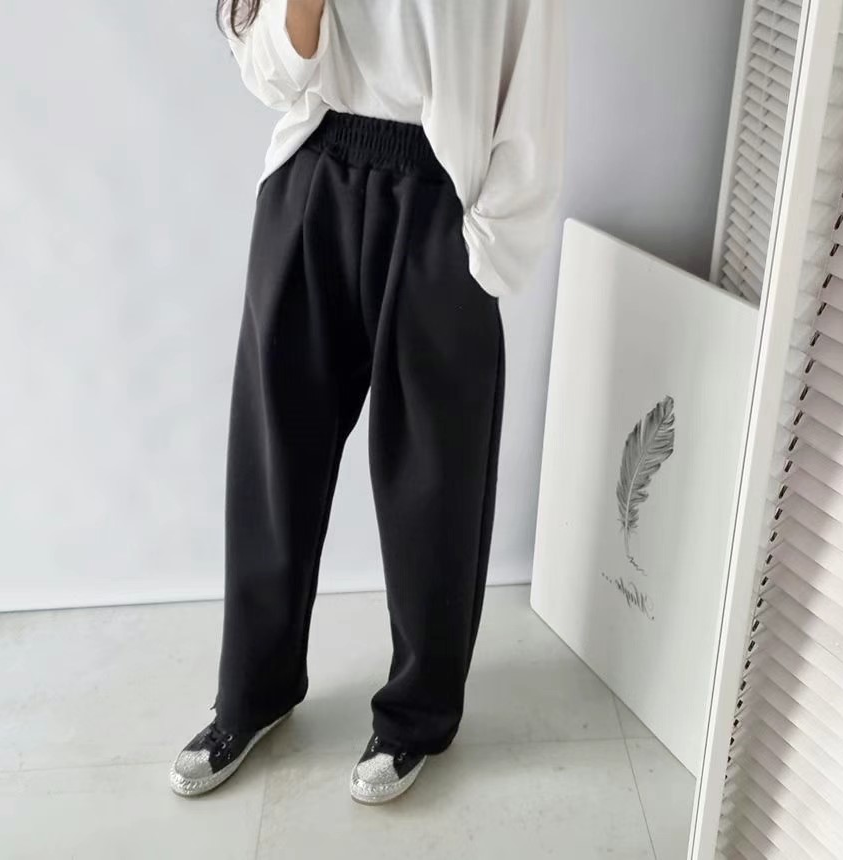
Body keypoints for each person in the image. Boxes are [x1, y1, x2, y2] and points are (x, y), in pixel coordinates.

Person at [170, 0, 565, 804]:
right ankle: (252, 692)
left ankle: (417, 714)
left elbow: (535, 79)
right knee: (276, 462)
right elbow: (272, 75)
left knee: (435, 479)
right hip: (312, 178)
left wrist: (486, 243)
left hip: (439, 200)